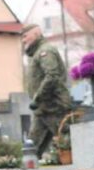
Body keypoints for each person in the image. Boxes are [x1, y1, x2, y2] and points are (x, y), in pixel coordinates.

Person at [22, 23, 72, 157]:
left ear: (36, 34)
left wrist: (37, 97)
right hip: (43, 109)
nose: (23, 40)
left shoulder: (46, 51)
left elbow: (52, 76)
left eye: (25, 36)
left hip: (54, 107)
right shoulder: (37, 53)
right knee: (31, 147)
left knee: (68, 144)